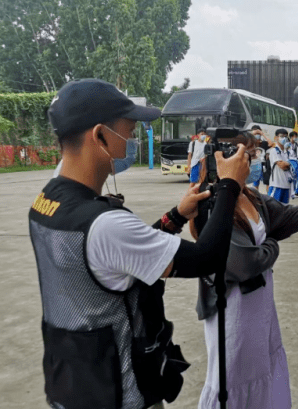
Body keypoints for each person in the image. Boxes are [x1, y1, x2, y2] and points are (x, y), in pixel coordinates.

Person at [29, 78, 249, 409]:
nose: (131, 139)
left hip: (72, 381)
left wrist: (175, 217)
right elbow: (208, 258)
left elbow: (109, 255)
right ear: (100, 135)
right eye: (128, 129)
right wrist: (231, 184)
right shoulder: (105, 223)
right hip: (118, 394)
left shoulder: (47, 201)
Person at [192, 133, 298, 409]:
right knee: (233, 380)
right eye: (246, 155)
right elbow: (241, 263)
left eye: (252, 155)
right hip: (233, 310)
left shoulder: (250, 196)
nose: (250, 162)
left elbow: (289, 217)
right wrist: (272, 247)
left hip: (260, 303)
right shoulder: (212, 203)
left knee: (263, 371)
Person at [267, 129, 292, 204]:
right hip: (277, 185)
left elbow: (294, 165)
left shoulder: (287, 152)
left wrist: (288, 164)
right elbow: (282, 166)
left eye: (285, 137)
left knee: (284, 209)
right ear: (276, 138)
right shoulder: (274, 151)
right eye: (281, 136)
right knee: (272, 208)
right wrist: (290, 164)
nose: (284, 138)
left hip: (286, 185)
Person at [251, 125, 273, 191]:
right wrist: (253, 134)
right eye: (255, 133)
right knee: (255, 186)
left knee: (268, 183)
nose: (257, 135)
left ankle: (268, 198)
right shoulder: (251, 143)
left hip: (264, 166)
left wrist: (262, 134)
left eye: (258, 133)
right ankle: (256, 199)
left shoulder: (264, 143)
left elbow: (271, 144)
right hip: (255, 166)